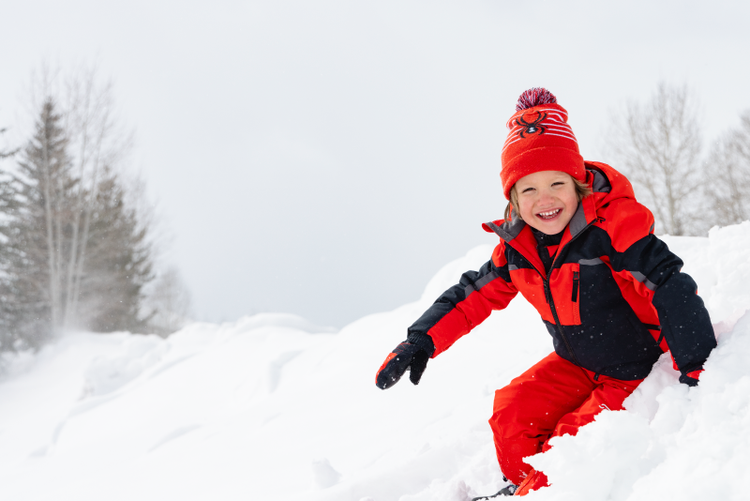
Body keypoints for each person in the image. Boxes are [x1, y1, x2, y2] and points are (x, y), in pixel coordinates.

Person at [375, 88, 716, 497]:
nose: (545, 199)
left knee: (572, 443)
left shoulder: (612, 232)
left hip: (634, 368)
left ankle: (545, 490)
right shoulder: (518, 249)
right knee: (512, 412)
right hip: (576, 362)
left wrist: (696, 368)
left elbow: (670, 285)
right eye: (528, 189)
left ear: (579, 185)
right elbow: (473, 295)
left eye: (557, 182)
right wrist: (421, 340)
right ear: (514, 200)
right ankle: (525, 487)